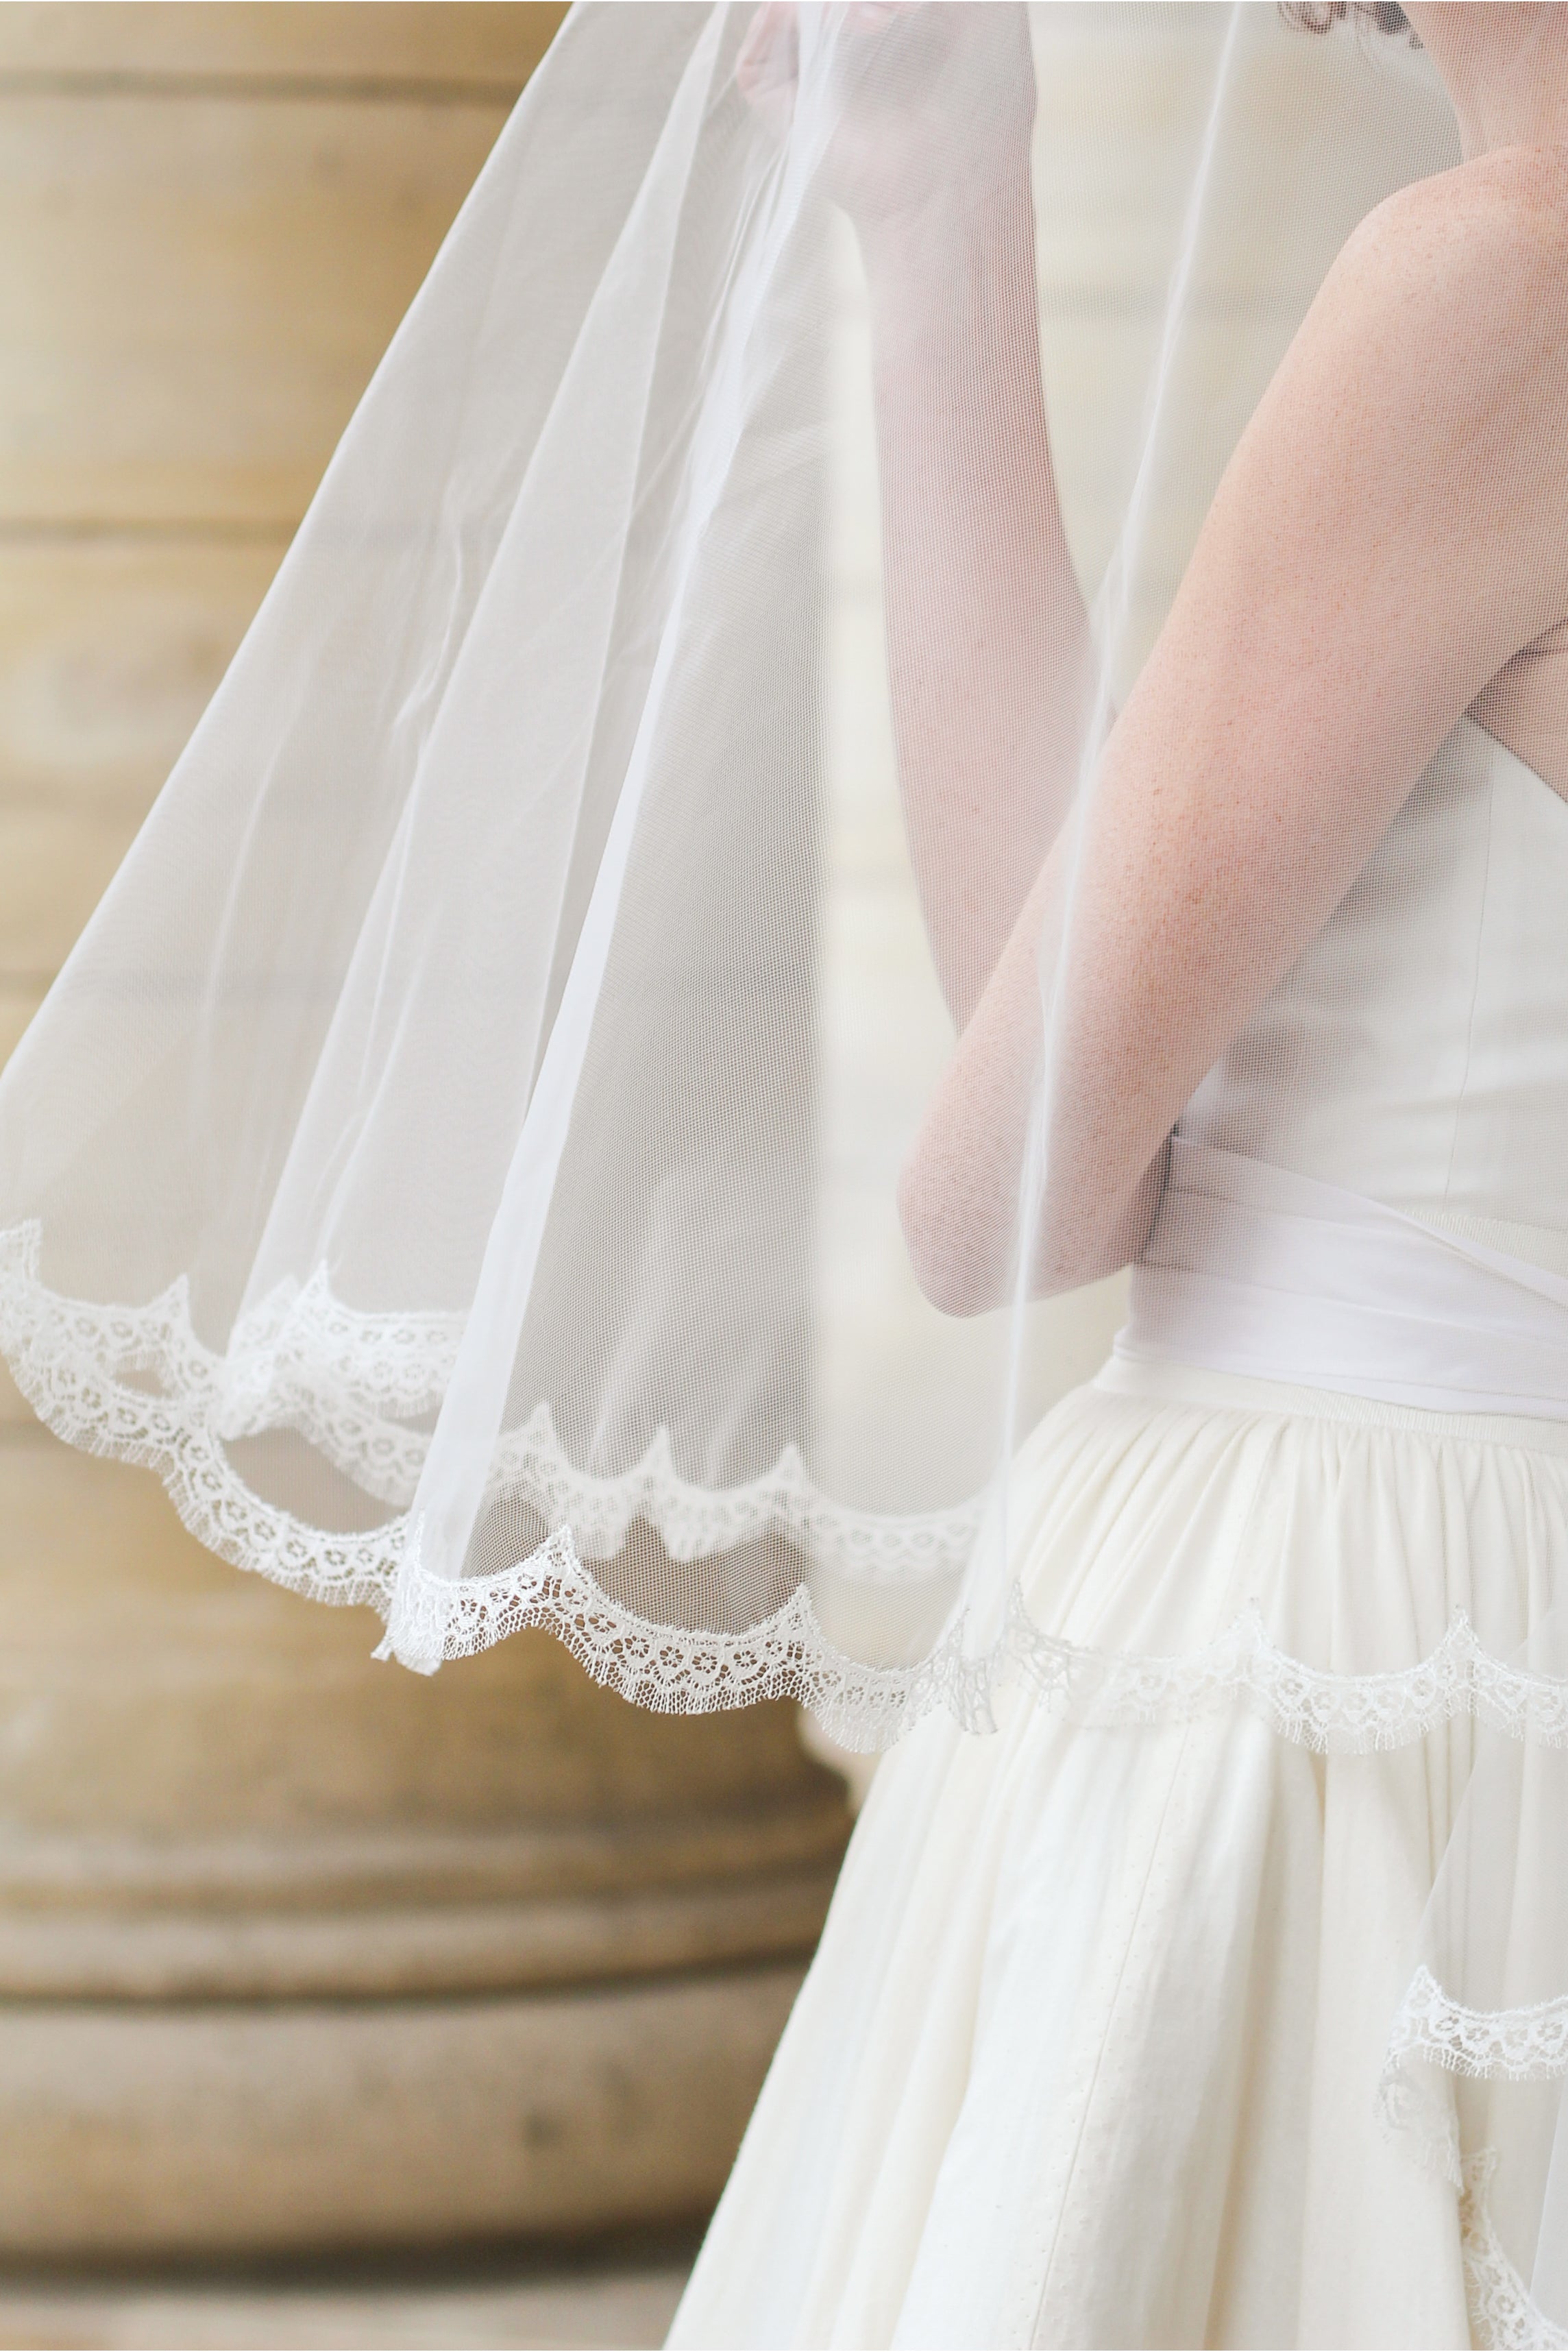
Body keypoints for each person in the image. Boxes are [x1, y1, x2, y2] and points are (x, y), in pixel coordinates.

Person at [666, 5, 1568, 2344]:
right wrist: (937, 209)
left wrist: (940, 204)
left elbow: (1015, 1191)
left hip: (1342, 1649)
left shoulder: (1495, 285)